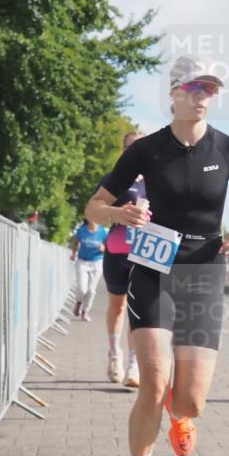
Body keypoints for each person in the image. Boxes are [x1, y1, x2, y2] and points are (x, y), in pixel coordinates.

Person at [84, 55, 229, 456]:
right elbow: (93, 207)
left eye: (209, 90)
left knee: (190, 399)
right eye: (194, 88)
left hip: (205, 269)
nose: (203, 97)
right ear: (173, 94)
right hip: (153, 265)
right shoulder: (146, 151)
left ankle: (180, 415)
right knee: (153, 380)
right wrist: (118, 214)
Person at [100, 131, 148, 388]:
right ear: (123, 150)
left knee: (136, 310)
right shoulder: (114, 180)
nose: (136, 151)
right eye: (131, 147)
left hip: (143, 254)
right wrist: (118, 213)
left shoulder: (156, 181)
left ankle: (133, 365)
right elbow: (97, 211)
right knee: (117, 307)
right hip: (117, 253)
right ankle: (113, 354)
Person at [70, 218, 108, 321]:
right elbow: (75, 243)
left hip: (96, 262)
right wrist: (73, 254)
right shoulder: (82, 230)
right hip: (82, 262)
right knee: (82, 289)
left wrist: (103, 248)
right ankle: (78, 302)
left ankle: (85, 311)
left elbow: (108, 247)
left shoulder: (103, 232)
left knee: (91, 290)